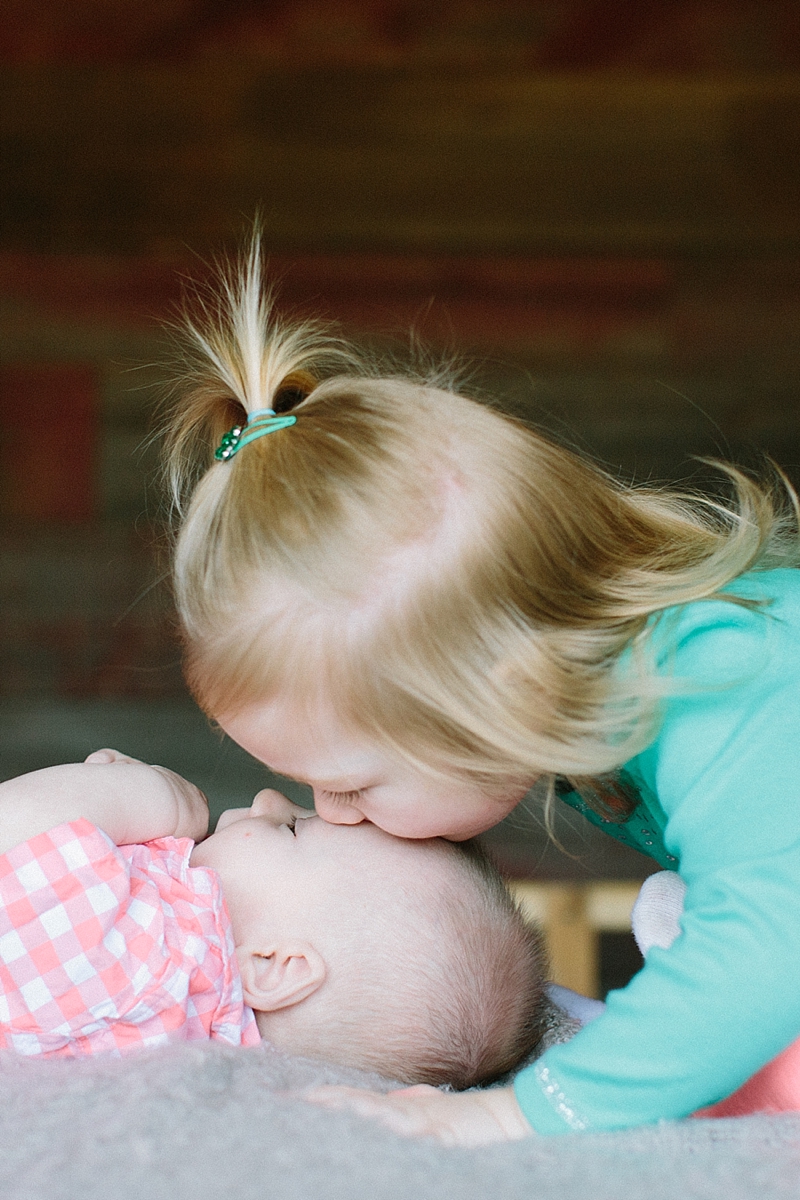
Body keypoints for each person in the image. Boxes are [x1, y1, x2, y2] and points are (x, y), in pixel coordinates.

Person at [162, 238, 800, 1143]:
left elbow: (767, 952)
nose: (334, 813)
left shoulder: (731, 688)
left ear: (501, 694)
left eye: (352, 783)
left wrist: (526, 1112)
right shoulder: (630, 701)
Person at [0, 749, 547, 1086]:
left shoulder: (147, 972)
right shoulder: (187, 1021)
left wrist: (143, 798)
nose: (268, 798)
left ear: (275, 967)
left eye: (290, 829)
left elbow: (15, 829)